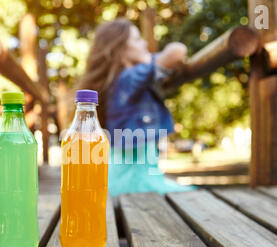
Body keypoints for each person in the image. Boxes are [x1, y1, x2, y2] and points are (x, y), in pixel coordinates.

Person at [76, 18, 196, 196]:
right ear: (122, 49)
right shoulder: (129, 78)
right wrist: (151, 60)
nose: (144, 43)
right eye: (137, 40)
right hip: (135, 180)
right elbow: (177, 51)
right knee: (194, 194)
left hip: (125, 177)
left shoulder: (118, 83)